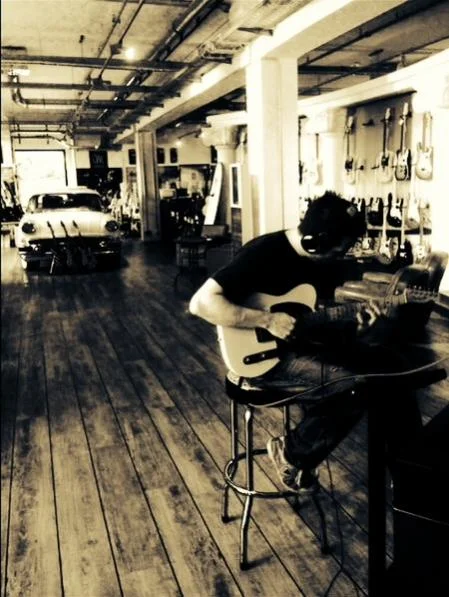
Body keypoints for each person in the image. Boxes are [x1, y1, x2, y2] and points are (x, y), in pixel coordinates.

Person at [189, 191, 423, 493]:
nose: (341, 256)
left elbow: (314, 320)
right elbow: (201, 303)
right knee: (353, 385)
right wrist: (267, 320)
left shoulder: (319, 261)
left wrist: (358, 327)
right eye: (339, 250)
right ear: (315, 242)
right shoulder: (263, 252)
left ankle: (412, 473)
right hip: (263, 359)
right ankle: (292, 453)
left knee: (393, 366)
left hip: (303, 347)